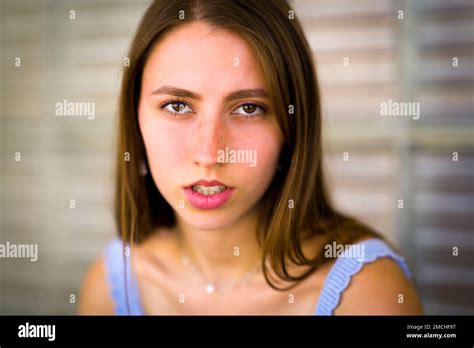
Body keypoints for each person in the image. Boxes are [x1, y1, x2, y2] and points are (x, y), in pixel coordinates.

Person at [79, 0, 423, 315]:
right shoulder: (114, 285)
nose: (210, 154)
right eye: (177, 106)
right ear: (134, 117)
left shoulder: (367, 294)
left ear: (292, 125)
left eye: (249, 108)